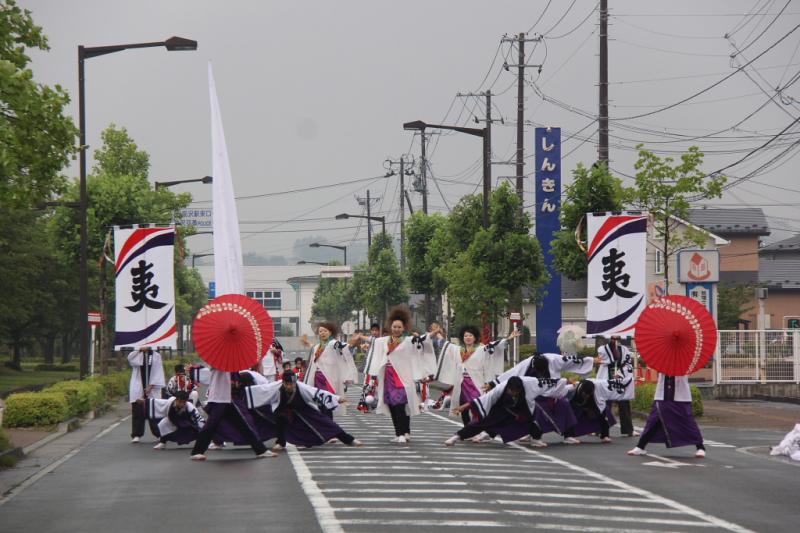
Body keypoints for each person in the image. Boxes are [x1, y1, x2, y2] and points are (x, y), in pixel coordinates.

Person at [363, 305, 432, 443]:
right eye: (394, 326)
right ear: (390, 326)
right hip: (388, 378)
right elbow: (374, 344)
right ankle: (402, 432)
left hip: (402, 378)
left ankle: (403, 433)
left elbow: (422, 343)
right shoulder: (384, 341)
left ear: (404, 328)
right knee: (392, 406)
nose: (396, 329)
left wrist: (429, 335)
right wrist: (360, 338)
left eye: (399, 327)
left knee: (400, 405)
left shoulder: (408, 340)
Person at [246, 370, 362, 451]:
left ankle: (349, 440)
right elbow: (261, 391)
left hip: (304, 410)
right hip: (284, 411)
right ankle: (281, 442)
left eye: (292, 384)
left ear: (295, 382)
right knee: (280, 419)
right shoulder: (275, 387)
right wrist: (243, 392)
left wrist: (337, 398)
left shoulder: (302, 387)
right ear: (283, 382)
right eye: (287, 384)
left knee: (327, 423)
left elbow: (317, 393)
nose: (290, 386)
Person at [433, 323, 520, 426]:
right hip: (462, 383)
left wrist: (509, 338)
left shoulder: (481, 349)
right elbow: (446, 345)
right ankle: (467, 427)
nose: (468, 338)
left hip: (476, 382)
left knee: (477, 405)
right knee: (463, 407)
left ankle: (477, 427)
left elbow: (495, 346)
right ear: (462, 338)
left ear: (475, 337)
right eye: (465, 336)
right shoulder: (458, 350)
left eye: (470, 335)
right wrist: (437, 333)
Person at [444, 376, 567, 447]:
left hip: (523, 408)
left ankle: (536, 439)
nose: (513, 393)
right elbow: (483, 399)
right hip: (502, 408)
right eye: (511, 391)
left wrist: (565, 383)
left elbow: (556, 381)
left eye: (516, 392)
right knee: (482, 422)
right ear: (508, 388)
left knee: (534, 420)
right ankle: (456, 437)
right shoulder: (501, 387)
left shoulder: (533, 384)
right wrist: (464, 407)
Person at [188, 365, 275, 461]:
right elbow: (224, 380)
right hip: (220, 398)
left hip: (226, 398)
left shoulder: (229, 364)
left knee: (244, 424)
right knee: (212, 426)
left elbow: (232, 381)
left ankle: (261, 450)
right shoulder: (220, 363)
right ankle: (197, 451)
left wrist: (234, 381)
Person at [628, 373, 706, 458]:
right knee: (654, 421)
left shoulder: (683, 366)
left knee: (688, 422)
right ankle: (640, 446)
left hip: (681, 396)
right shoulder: (663, 366)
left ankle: (700, 447)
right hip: (662, 395)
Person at [303, 321, 360, 412]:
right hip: (317, 378)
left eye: (325, 331)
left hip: (328, 378)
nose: (323, 333)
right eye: (320, 331)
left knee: (326, 402)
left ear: (330, 332)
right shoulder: (318, 346)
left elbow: (341, 346)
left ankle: (328, 417)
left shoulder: (332, 343)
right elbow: (313, 352)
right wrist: (307, 343)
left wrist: (351, 344)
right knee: (320, 403)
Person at [567, 376, 634, 443]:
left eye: (588, 394)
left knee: (603, 414)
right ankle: (568, 436)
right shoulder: (577, 388)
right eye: (585, 394)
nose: (587, 396)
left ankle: (605, 436)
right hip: (579, 401)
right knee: (572, 414)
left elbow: (619, 383)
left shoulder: (600, 387)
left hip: (595, 398)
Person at [596, 336, 636, 437]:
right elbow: (605, 358)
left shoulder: (624, 349)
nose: (614, 340)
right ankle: (599, 428)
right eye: (612, 338)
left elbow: (628, 364)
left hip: (620, 378)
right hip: (606, 378)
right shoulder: (602, 349)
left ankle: (628, 430)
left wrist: (621, 373)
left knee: (624, 402)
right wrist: (612, 346)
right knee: (605, 404)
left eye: (616, 338)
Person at [128, 347, 165, 443]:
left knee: (154, 411)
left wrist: (151, 386)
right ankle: (137, 434)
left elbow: (158, 372)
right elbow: (131, 359)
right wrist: (140, 350)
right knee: (138, 411)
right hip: (138, 386)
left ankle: (158, 434)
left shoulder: (156, 356)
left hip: (152, 389)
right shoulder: (137, 353)